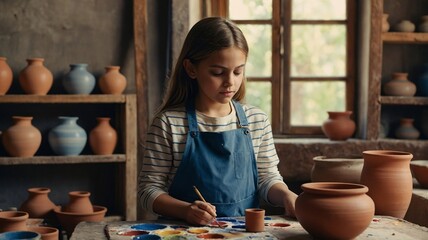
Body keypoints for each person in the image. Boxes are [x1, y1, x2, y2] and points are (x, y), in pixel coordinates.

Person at [138, 17, 297, 226]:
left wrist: (286, 195)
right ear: (191, 69)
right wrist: (186, 210)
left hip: (243, 232)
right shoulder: (169, 123)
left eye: (238, 71)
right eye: (218, 72)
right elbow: (148, 191)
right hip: (183, 232)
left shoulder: (256, 120)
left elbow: (267, 179)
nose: (230, 82)